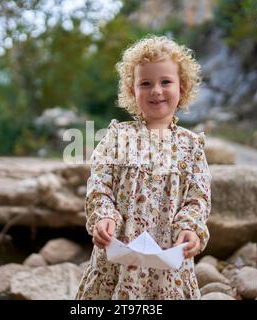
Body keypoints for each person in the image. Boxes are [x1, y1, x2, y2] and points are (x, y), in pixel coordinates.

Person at [75, 35, 211, 300]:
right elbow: (99, 184)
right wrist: (104, 216)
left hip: (167, 262)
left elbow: (198, 198)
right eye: (145, 83)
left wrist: (190, 228)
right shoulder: (117, 137)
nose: (156, 90)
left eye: (166, 82)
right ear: (132, 91)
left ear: (182, 88)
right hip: (119, 258)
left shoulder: (192, 146)